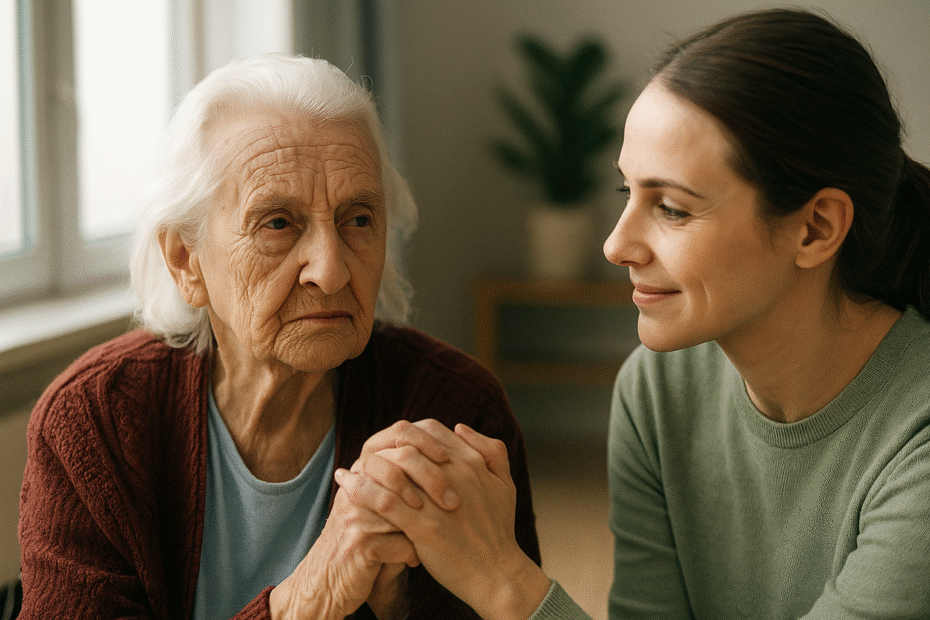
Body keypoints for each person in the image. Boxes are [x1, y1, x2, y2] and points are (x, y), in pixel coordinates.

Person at [335, 8, 930, 620]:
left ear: (816, 227)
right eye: (629, 193)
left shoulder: (919, 445)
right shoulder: (656, 391)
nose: (616, 246)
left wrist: (502, 579)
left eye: (671, 208)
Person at [17, 54, 541, 620]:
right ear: (186, 260)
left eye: (358, 219)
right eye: (278, 223)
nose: (331, 270)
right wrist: (301, 603)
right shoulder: (96, 421)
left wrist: (401, 609)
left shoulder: (453, 410)